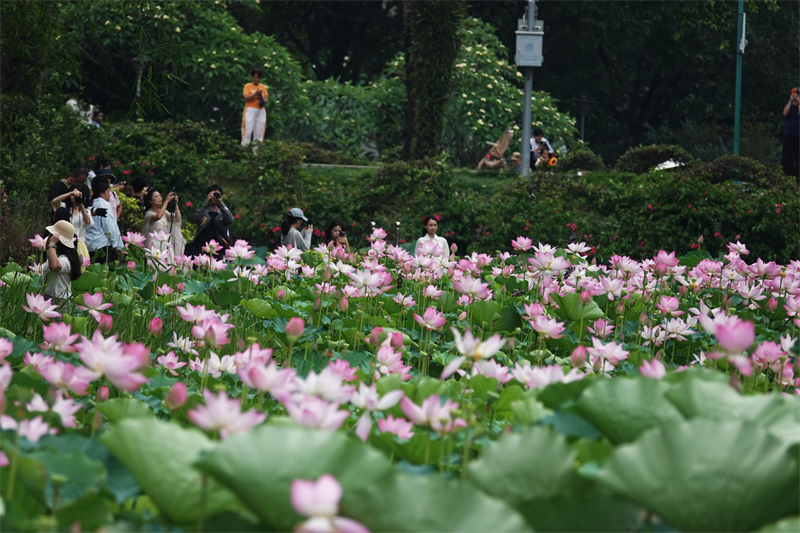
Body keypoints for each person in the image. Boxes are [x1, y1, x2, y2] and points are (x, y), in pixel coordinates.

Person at [49, 185, 93, 263]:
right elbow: (55, 201)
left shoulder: (86, 211)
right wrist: (70, 193)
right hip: (65, 240)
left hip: (80, 242)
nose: (74, 197)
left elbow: (88, 222)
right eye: (73, 196)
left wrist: (81, 207)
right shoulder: (65, 208)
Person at [41, 220, 82, 302]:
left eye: (51, 235)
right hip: (49, 296)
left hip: (58, 300)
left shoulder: (66, 259)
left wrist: (52, 244)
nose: (48, 238)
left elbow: (54, 267)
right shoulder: (57, 256)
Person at [85, 181, 122, 263]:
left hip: (89, 244)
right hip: (102, 244)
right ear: (102, 194)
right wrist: (114, 242)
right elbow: (109, 225)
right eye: (108, 192)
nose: (109, 195)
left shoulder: (91, 204)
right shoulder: (104, 204)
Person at [192, 184, 234, 255]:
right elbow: (196, 218)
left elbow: (230, 220)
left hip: (219, 248)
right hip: (202, 248)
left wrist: (220, 203)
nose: (215, 197)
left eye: (217, 194)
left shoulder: (222, 213)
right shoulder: (203, 211)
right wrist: (206, 202)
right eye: (213, 194)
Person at [143, 189, 186, 256]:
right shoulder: (148, 214)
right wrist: (166, 201)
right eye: (157, 196)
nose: (160, 198)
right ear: (150, 201)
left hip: (165, 242)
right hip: (154, 243)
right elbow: (158, 217)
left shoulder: (164, 212)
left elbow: (177, 219)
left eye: (160, 196)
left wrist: (176, 204)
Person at [242, 67, 268, 146]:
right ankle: (244, 148)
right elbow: (246, 97)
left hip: (260, 110)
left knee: (259, 132)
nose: (257, 79)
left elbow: (266, 99)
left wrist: (260, 97)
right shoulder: (247, 86)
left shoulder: (263, 87)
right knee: (248, 131)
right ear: (252, 77)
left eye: (259, 78)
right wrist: (255, 94)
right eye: (256, 77)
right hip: (250, 109)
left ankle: (257, 150)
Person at [782, 87, 800, 183]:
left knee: (798, 157)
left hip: (798, 135)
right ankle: (787, 177)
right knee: (787, 157)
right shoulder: (789, 105)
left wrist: (798, 103)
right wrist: (790, 101)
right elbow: (785, 113)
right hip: (789, 134)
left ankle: (798, 179)